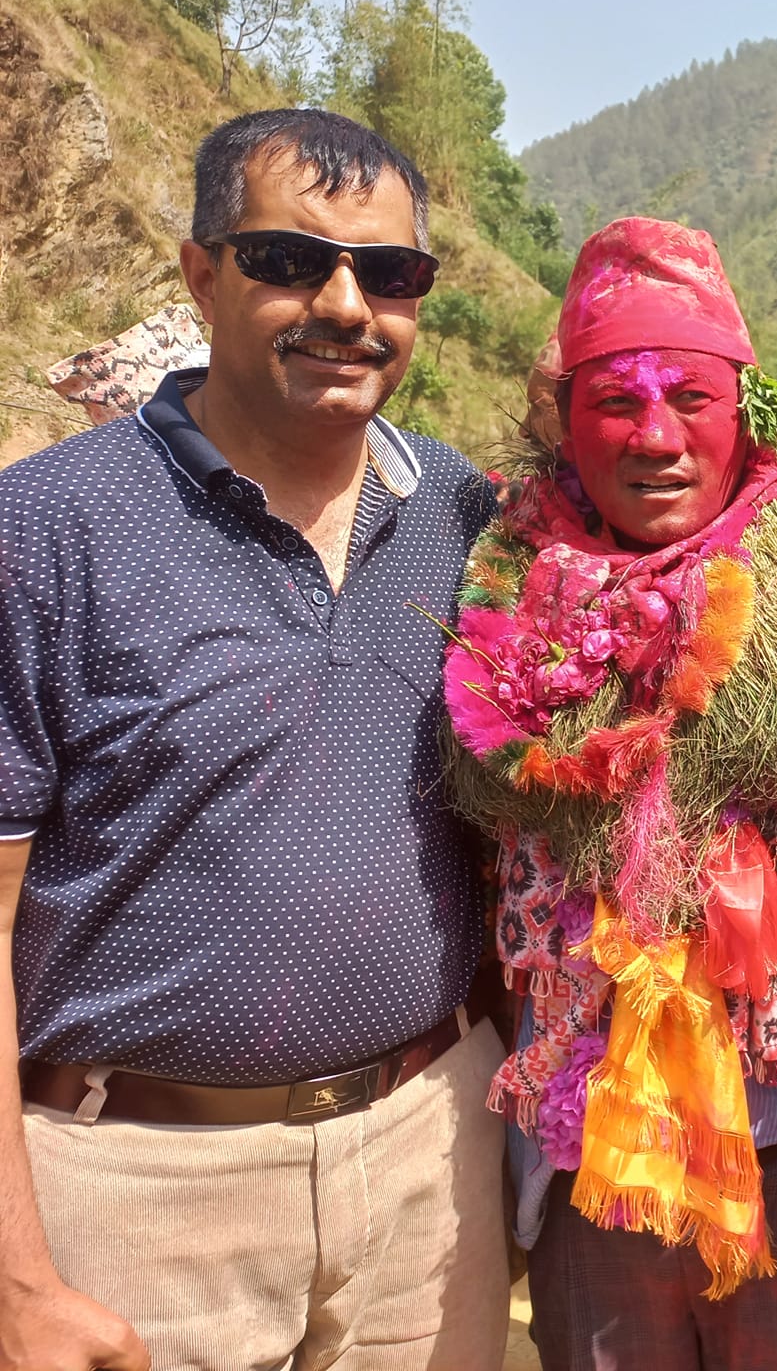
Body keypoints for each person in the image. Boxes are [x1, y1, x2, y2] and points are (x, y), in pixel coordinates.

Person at [0, 108, 508, 1369]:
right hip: (136, 1192)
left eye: (388, 274)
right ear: (201, 273)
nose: (346, 304)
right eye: (290, 260)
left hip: (426, 1166)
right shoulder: (47, 529)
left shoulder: (458, 514)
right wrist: (17, 1285)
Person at [438, 217, 777, 1371]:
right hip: (588, 1165)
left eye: (688, 400)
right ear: (565, 424)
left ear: (744, 417)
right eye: (617, 402)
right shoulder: (497, 611)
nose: (655, 437)